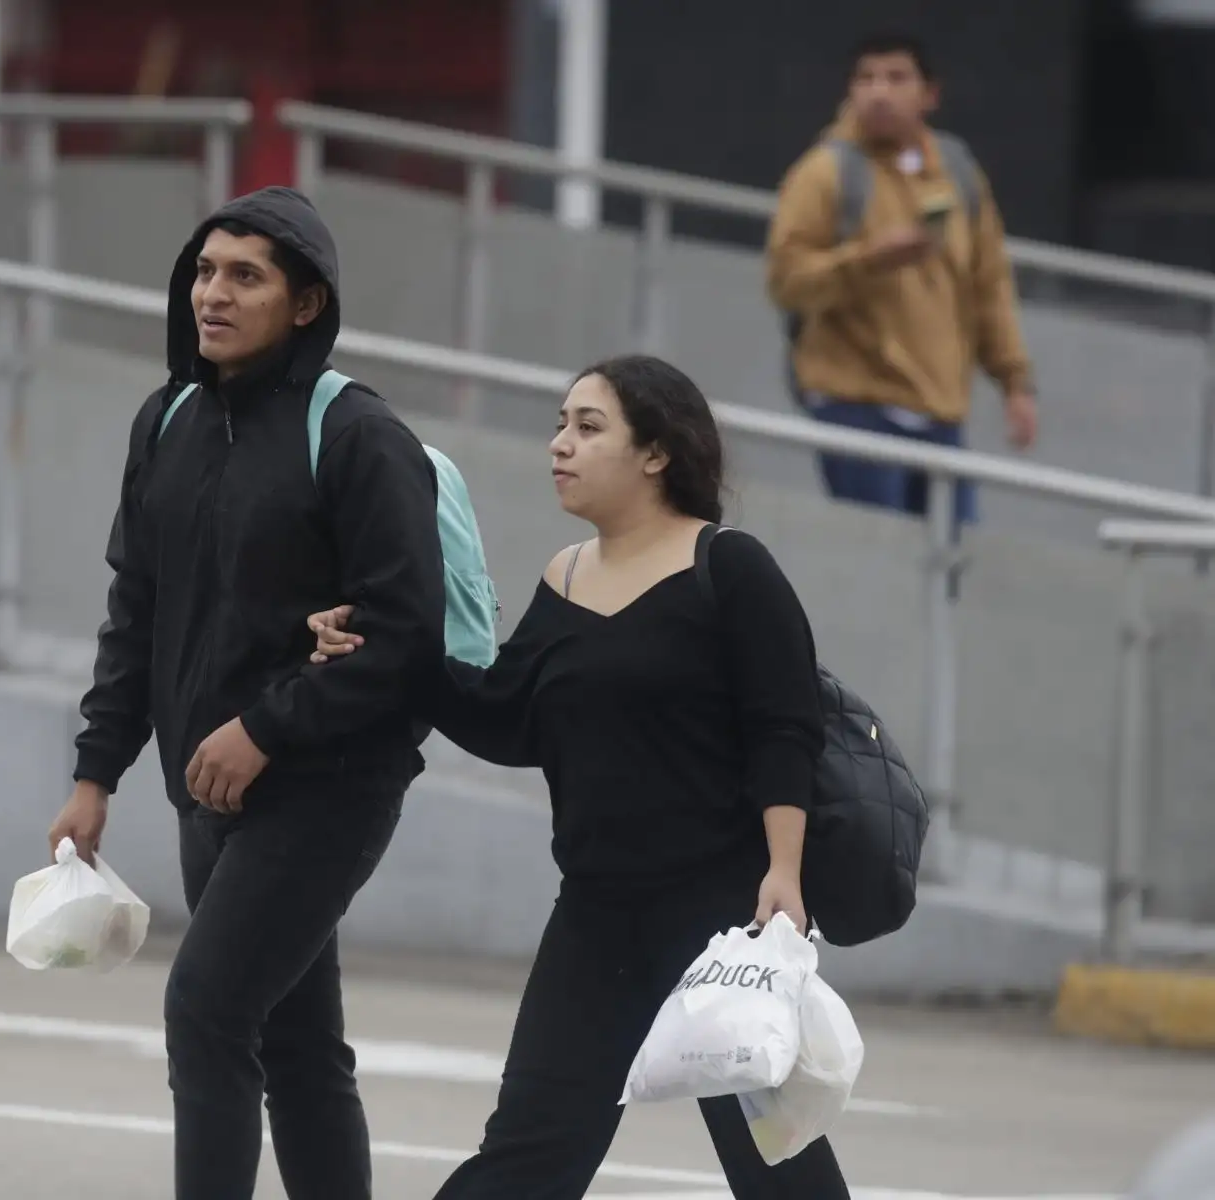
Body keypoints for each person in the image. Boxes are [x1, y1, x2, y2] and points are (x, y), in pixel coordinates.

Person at [308, 355, 852, 1199]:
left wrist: (784, 871)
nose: (560, 444)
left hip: (723, 920)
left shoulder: (730, 567)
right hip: (597, 918)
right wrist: (382, 650)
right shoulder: (565, 575)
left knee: (777, 1163)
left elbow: (785, 727)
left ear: (656, 452)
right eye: (560, 425)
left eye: (588, 427)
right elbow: (507, 717)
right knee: (529, 1152)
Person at [48, 185, 449, 1200]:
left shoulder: (357, 435)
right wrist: (96, 774)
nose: (212, 295)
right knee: (296, 1044)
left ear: (305, 304)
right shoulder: (168, 420)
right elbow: (136, 609)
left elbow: (406, 634)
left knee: (209, 1011)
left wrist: (266, 727)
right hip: (209, 790)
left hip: (328, 783)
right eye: (203, 271)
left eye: (245, 277)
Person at [767, 31, 1036, 527]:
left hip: (940, 411)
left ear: (929, 95)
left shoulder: (956, 171)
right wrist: (871, 259)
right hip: (857, 405)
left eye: (896, 78)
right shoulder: (826, 172)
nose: (879, 92)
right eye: (866, 79)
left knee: (951, 560)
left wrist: (1015, 382)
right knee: (876, 558)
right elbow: (787, 281)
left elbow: (989, 282)